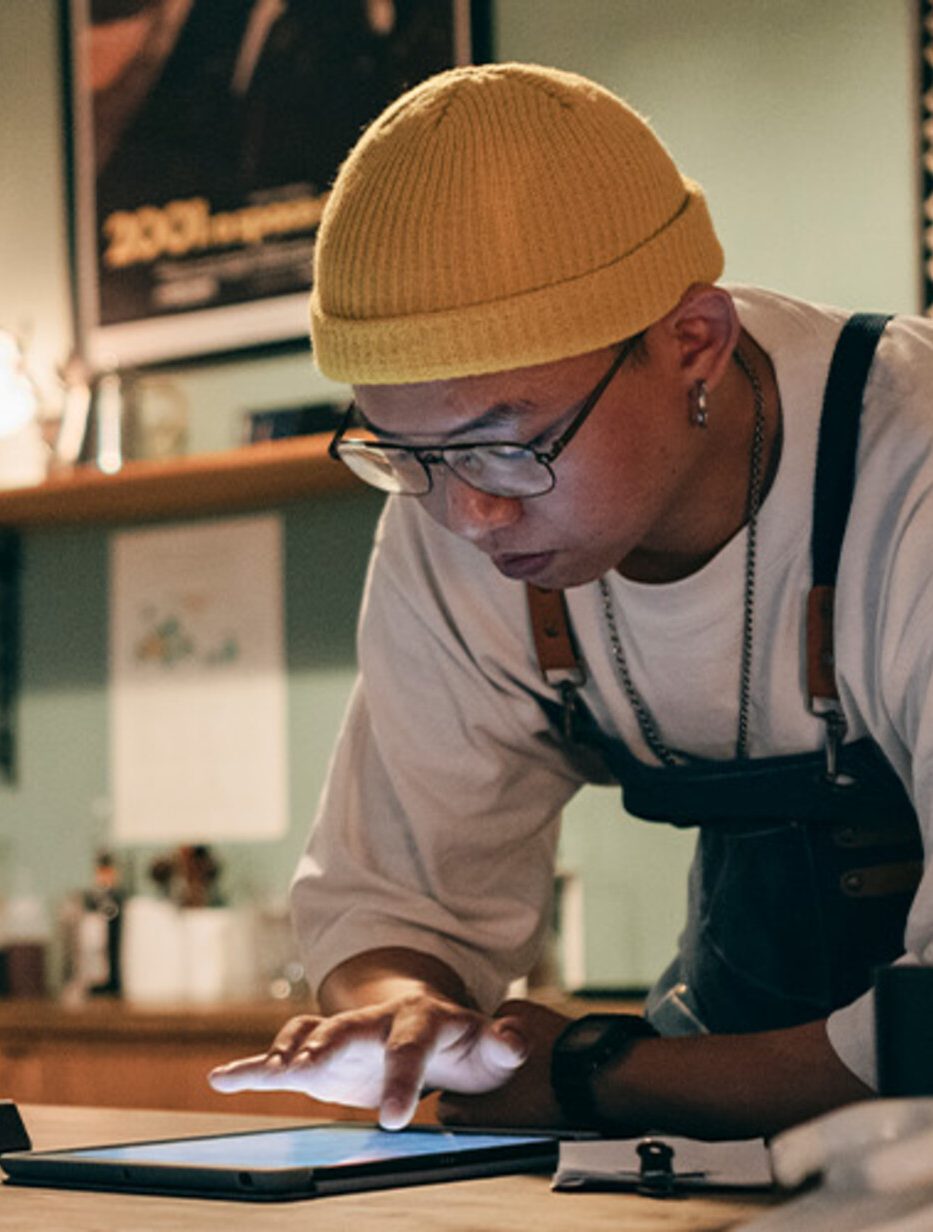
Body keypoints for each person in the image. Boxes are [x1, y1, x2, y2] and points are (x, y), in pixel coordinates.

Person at [206, 62, 928, 1140]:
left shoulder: (905, 465)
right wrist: (404, 1012)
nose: (466, 517)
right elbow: (395, 898)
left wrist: (596, 1069)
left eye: (505, 444)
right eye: (405, 452)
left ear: (694, 341)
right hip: (720, 1081)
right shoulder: (452, 504)